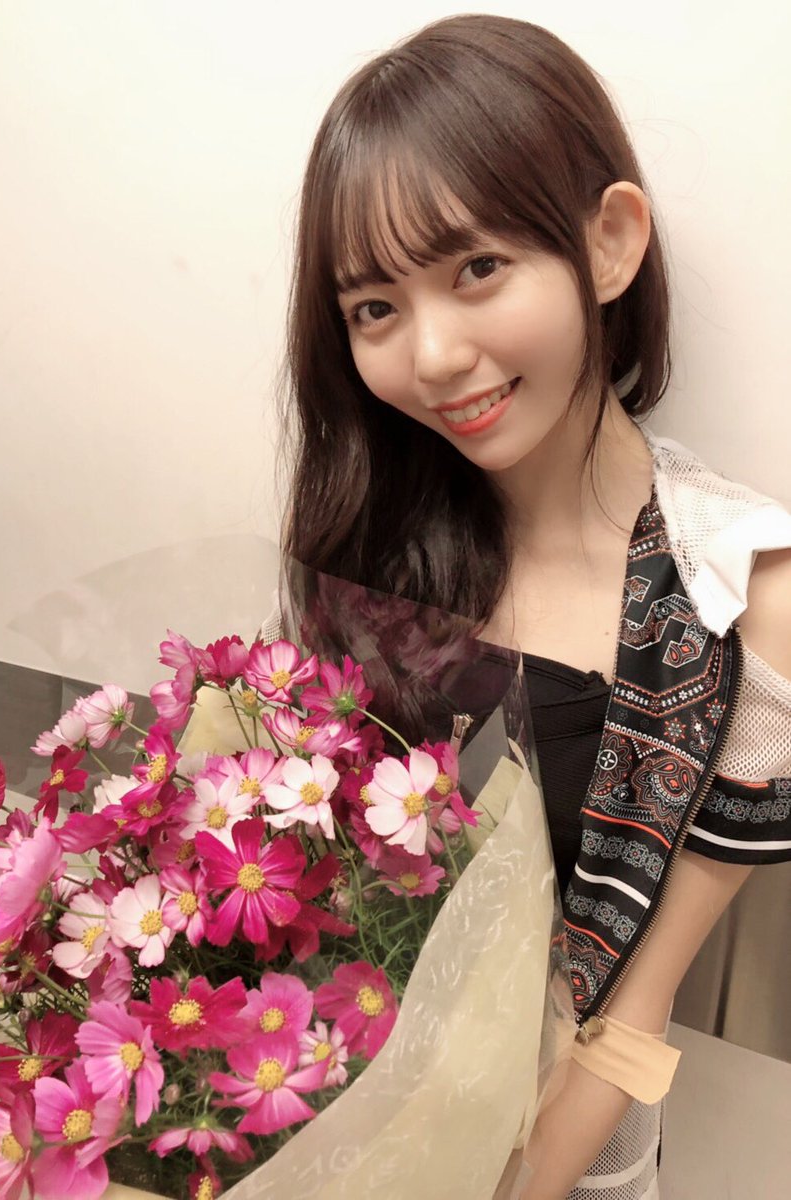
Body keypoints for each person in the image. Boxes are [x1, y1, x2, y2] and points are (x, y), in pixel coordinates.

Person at [267, 13, 791, 1200]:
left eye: (476, 270)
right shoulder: (373, 546)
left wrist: (503, 1183)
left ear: (609, 244)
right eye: (375, 307)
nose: (434, 355)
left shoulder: (739, 590)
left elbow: (635, 1008)